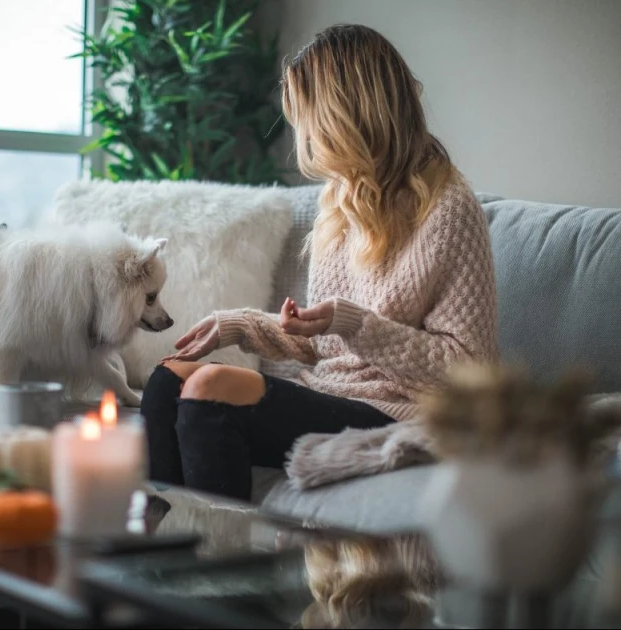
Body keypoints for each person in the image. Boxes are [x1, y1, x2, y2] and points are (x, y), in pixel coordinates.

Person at [140, 24, 499, 501]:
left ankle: (221, 571)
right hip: (330, 392)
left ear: (345, 114)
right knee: (167, 381)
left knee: (211, 390)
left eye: (307, 116)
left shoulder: (448, 207)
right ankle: (159, 559)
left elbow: (469, 370)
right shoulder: (341, 198)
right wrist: (241, 325)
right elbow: (324, 343)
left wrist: (356, 325)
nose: (303, 133)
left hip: (402, 410)